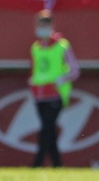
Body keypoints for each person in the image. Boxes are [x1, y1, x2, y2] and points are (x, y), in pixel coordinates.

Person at [27, 10, 79, 168]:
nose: (42, 28)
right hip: (39, 95)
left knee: (46, 129)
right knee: (48, 131)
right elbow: (36, 71)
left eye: (45, 24)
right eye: (40, 24)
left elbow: (75, 70)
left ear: (52, 26)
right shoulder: (35, 47)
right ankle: (57, 164)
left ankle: (38, 163)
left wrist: (60, 80)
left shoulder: (62, 46)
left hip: (55, 94)